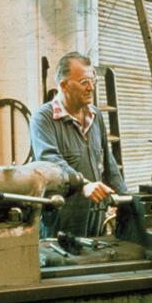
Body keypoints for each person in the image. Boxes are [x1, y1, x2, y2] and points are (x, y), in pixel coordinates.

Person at [30, 51, 127, 238]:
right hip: (61, 221)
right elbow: (50, 161)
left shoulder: (95, 116)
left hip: (95, 220)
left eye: (93, 82)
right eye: (84, 82)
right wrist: (83, 184)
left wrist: (125, 201)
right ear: (64, 85)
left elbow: (108, 163)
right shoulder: (43, 119)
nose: (91, 88)